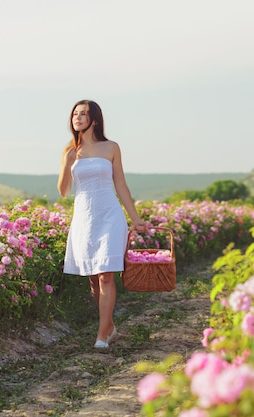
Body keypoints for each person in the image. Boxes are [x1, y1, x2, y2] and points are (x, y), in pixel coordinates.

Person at [57, 99, 146, 349]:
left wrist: (135, 219)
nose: (78, 118)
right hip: (85, 217)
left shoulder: (111, 147)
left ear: (94, 119)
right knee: (94, 279)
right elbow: (63, 191)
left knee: (107, 275)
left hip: (110, 214)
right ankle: (109, 326)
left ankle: (101, 334)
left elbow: (120, 185)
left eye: (83, 114)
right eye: (75, 114)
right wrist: (67, 164)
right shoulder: (70, 151)